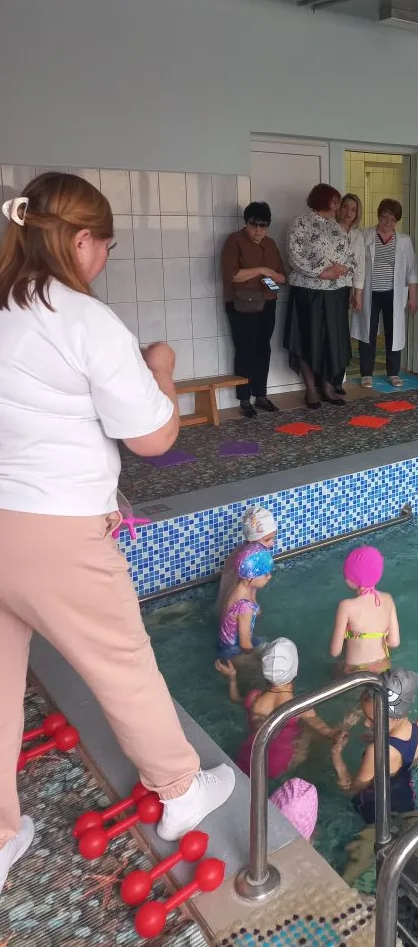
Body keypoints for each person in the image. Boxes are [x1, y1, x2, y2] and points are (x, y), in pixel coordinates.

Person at [0, 173, 235, 888]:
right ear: (80, 241)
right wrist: (160, 368)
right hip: (58, 532)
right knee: (123, 664)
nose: (104, 258)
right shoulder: (82, 319)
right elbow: (153, 437)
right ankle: (180, 790)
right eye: (105, 245)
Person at [215, 638, 336, 778]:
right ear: (295, 670)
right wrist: (337, 734)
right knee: (308, 734)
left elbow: (236, 699)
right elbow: (326, 732)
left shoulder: (253, 698)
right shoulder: (300, 707)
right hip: (276, 766)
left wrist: (232, 678)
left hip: (248, 757)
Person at [283, 183, 355, 409]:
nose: (338, 205)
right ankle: (311, 390)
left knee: (331, 341)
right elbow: (294, 255)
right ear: (323, 199)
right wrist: (322, 272)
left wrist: (342, 269)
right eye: (335, 200)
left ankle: (327, 386)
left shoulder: (338, 227)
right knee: (308, 339)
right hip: (308, 292)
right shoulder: (300, 222)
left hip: (335, 293)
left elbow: (350, 256)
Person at [331, 669, 418, 826]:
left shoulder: (376, 752)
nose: (366, 724)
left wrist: (336, 755)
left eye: (373, 720)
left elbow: (351, 791)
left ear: (395, 717)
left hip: (376, 814)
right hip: (408, 803)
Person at [221, 202, 287, 419]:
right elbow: (232, 275)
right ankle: (244, 399)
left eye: (263, 226)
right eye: (253, 225)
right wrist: (262, 270)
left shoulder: (271, 244)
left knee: (263, 349)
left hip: (267, 302)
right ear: (246, 223)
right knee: (245, 349)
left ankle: (261, 395)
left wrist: (272, 279)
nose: (258, 230)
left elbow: (281, 278)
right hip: (241, 304)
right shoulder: (235, 241)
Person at [351, 199, 418, 389]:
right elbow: (356, 265)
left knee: (393, 331)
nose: (388, 222)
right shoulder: (365, 235)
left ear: (397, 221)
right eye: (384, 217)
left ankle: (393, 372)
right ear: (378, 215)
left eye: (392, 219)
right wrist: (355, 293)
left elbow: (412, 271)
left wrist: (413, 297)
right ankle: (366, 373)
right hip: (369, 293)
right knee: (368, 332)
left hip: (393, 293)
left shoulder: (404, 240)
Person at [330, 546, 399, 673]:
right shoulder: (388, 599)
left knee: (333, 669)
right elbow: (394, 642)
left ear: (352, 578)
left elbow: (335, 652)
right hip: (383, 667)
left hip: (355, 671)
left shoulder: (346, 606)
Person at [216, 504, 277, 623]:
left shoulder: (248, 554)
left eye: (273, 538)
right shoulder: (247, 561)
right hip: (227, 611)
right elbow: (240, 590)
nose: (272, 543)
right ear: (251, 539)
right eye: (267, 540)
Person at [334, 193, 365, 395]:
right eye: (345, 207)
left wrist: (358, 294)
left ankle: (338, 378)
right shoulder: (331, 229)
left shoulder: (357, 236)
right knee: (328, 333)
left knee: (341, 334)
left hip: (345, 289)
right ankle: (325, 380)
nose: (348, 212)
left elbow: (360, 267)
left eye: (353, 209)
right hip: (327, 287)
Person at [217, 545, 272, 658]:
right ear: (251, 577)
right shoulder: (244, 607)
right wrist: (256, 658)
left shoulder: (238, 586)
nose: (269, 577)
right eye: (266, 573)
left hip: (227, 642)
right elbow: (245, 645)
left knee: (267, 645)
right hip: (233, 652)